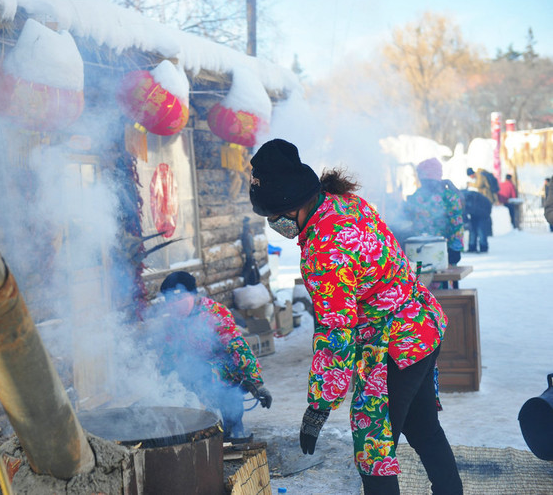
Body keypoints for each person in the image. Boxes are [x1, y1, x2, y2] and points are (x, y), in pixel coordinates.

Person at [248, 139, 462, 495]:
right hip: (424, 324)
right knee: (424, 428)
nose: (274, 224)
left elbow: (336, 332)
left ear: (291, 205)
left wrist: (319, 406)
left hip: (395, 343)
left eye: (273, 217)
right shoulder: (345, 203)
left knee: (373, 448)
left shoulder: (323, 251)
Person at [157, 271, 272, 442]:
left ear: (193, 295)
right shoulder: (173, 322)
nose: (173, 305)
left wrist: (256, 382)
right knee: (182, 375)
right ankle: (195, 427)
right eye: (169, 301)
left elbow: (238, 348)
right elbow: (168, 354)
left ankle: (231, 424)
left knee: (204, 371)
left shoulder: (215, 314)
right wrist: (161, 384)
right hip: (193, 373)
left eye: (178, 299)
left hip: (224, 374)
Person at [403, 157, 464, 265]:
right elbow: (407, 215)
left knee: (443, 278)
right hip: (419, 248)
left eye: (428, 181)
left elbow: (457, 224)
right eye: (423, 181)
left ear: (436, 179)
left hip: (443, 248)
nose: (425, 185)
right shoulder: (417, 196)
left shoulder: (449, 197)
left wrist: (455, 248)